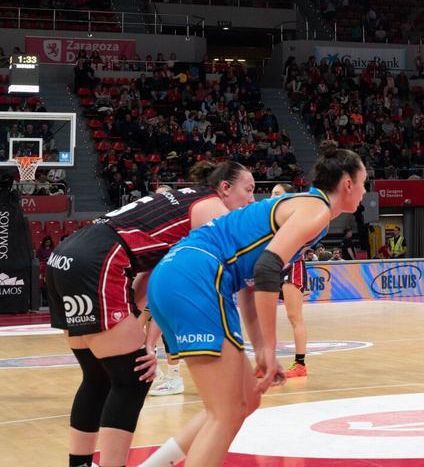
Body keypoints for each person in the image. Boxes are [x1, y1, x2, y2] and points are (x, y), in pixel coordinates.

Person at [142, 145, 365, 467]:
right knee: (228, 411)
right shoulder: (316, 211)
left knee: (244, 399)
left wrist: (262, 348)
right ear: (348, 184)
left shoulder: (299, 206)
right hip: (197, 275)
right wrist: (272, 349)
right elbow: (266, 270)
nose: (363, 190)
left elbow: (250, 284)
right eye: (363, 182)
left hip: (177, 274)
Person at [46, 161, 255, 467]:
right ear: (225, 188)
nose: (252, 200)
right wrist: (149, 338)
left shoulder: (186, 198)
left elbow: (151, 276)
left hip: (68, 255)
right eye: (248, 190)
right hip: (100, 260)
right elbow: (174, 280)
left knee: (97, 376)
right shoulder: (213, 210)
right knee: (133, 378)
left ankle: (78, 464)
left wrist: (143, 331)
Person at [271, 183, 311, 379]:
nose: (272, 196)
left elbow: (305, 243)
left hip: (291, 267)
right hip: (272, 269)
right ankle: (268, 362)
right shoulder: (271, 217)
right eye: (271, 193)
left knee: (295, 317)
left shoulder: (296, 217)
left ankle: (300, 364)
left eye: (277, 194)